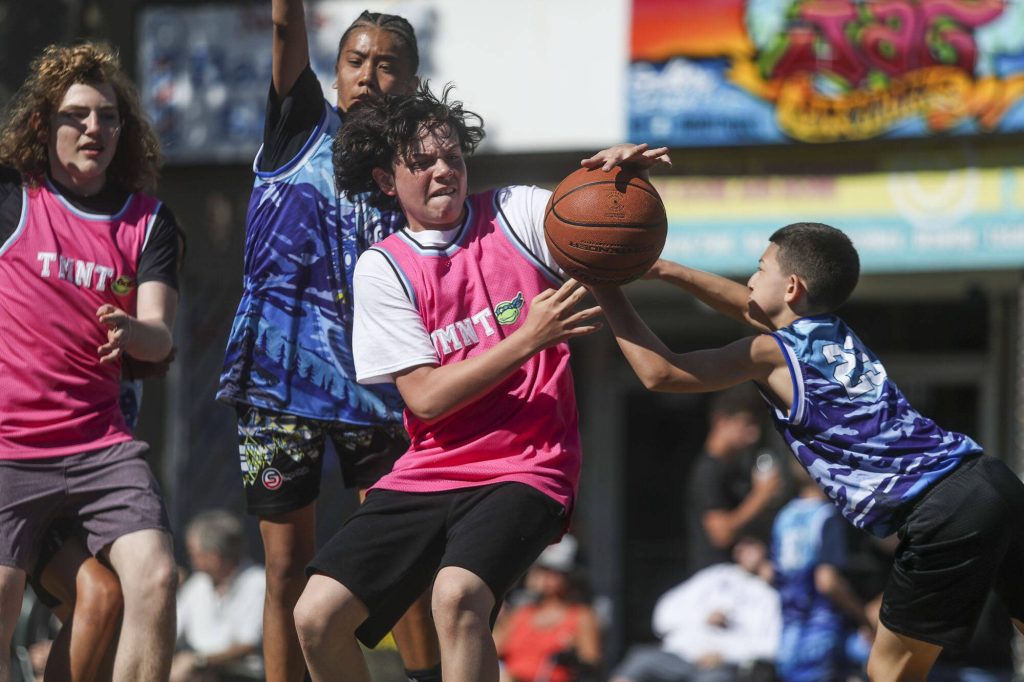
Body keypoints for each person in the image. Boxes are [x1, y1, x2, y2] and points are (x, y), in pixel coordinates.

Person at [290, 84, 653, 682]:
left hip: (530, 464)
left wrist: (618, 182)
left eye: (453, 157)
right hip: (433, 467)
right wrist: (527, 339)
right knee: (315, 616)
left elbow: (591, 215)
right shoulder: (383, 268)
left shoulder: (513, 212)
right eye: (424, 161)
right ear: (386, 181)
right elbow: (426, 398)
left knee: (457, 598)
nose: (443, 171)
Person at [591, 222, 1024, 681]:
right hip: (991, 478)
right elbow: (750, 306)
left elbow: (662, 373)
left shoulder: (770, 353)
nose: (750, 281)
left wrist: (605, 287)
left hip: (943, 511)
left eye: (759, 269)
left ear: (793, 287)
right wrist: (665, 269)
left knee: (889, 673)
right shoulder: (830, 331)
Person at [214, 4, 440, 680]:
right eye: (355, 61)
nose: (368, 76)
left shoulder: (415, 169)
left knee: (401, 564)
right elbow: (286, 31)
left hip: (378, 385)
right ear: (334, 73)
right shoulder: (300, 125)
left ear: (412, 81)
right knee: (286, 565)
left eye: (387, 64)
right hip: (279, 381)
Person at [0, 42, 181, 682]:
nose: (93, 129)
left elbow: (160, 338)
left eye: (108, 116)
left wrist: (136, 331)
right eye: (76, 115)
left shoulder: (149, 222)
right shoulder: (13, 200)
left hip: (102, 446)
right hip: (9, 448)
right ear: (43, 125)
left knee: (155, 576)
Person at [609, 538, 780, 682]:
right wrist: (703, 617)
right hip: (678, 655)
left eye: (754, 548)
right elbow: (663, 617)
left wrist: (727, 655)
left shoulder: (768, 596)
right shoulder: (715, 576)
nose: (748, 552)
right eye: (744, 547)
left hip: (720, 666)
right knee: (639, 661)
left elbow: (771, 645)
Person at [771, 461, 872, 682]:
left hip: (788, 641)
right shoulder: (826, 517)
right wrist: (863, 617)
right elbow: (827, 581)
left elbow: (775, 574)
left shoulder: (783, 518)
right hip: (820, 637)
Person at [685, 385, 782, 576]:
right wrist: (761, 495)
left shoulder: (737, 467)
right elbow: (721, 534)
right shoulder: (707, 471)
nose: (753, 435)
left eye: (756, 426)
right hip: (715, 584)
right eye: (746, 424)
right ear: (720, 421)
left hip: (739, 580)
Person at [171, 509, 266, 682]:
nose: (190, 560)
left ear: (214, 557)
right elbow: (174, 630)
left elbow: (249, 646)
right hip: (199, 670)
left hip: (240, 676)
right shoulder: (198, 584)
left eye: (194, 553)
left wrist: (199, 661)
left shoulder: (258, 583)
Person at [493, 535, 602, 682]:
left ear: (570, 576)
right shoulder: (520, 613)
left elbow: (591, 663)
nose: (545, 577)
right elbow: (492, 650)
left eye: (553, 572)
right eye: (542, 570)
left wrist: (574, 659)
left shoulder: (581, 615)